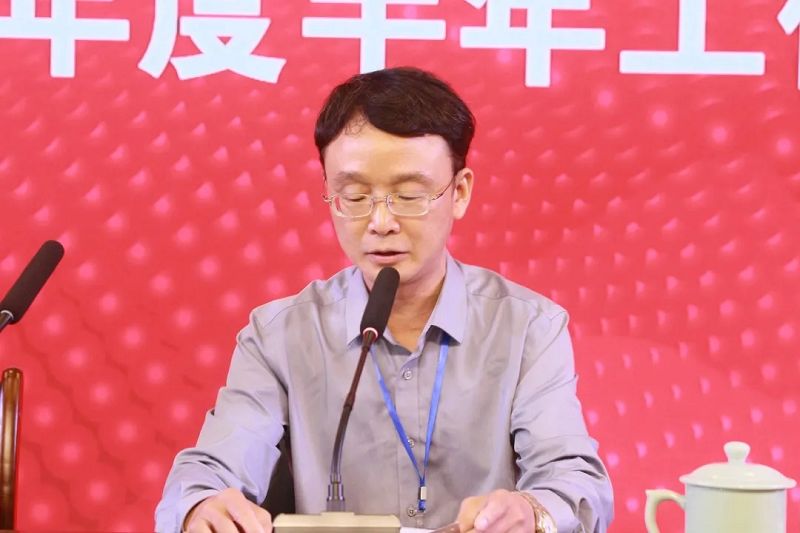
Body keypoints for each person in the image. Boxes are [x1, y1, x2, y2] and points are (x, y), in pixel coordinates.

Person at [155, 66, 613, 533]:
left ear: (459, 192)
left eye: (409, 195)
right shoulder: (279, 336)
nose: (380, 223)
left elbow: (574, 479)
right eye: (354, 196)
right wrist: (200, 506)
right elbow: (209, 470)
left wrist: (533, 512)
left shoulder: (528, 327)